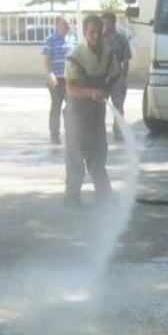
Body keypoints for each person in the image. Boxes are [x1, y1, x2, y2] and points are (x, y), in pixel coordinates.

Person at [63, 15, 122, 206]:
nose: (96, 36)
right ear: (84, 32)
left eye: (99, 32)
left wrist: (107, 90)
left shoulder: (108, 54)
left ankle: (104, 195)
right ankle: (72, 197)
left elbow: (115, 75)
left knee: (98, 154)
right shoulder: (75, 56)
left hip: (96, 113)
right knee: (76, 156)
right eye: (92, 32)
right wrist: (92, 93)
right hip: (77, 114)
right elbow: (71, 88)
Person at [41, 15, 76, 144]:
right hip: (56, 80)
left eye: (69, 23)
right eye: (65, 23)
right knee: (56, 107)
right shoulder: (50, 40)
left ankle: (70, 132)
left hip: (70, 79)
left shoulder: (73, 38)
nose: (68, 26)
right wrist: (51, 75)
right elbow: (46, 60)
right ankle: (54, 134)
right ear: (57, 25)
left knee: (71, 107)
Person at [102, 12, 133, 141]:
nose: (105, 26)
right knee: (99, 106)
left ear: (114, 22)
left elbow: (126, 59)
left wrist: (123, 77)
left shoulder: (121, 39)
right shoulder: (99, 38)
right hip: (102, 78)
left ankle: (118, 131)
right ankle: (100, 132)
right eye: (104, 23)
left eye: (107, 23)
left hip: (117, 77)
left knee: (118, 107)